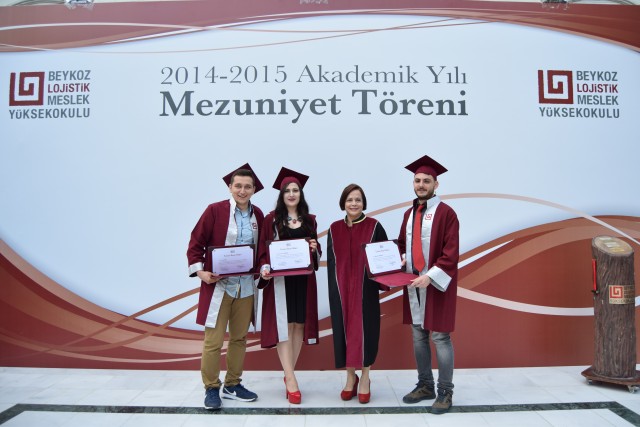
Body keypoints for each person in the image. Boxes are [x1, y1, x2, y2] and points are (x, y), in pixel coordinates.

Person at [186, 163, 265, 410]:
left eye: (247, 187)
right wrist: (201, 272)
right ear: (230, 187)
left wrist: (264, 266)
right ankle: (211, 387)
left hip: (246, 287)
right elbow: (195, 243)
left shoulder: (258, 215)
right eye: (238, 186)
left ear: (254, 190)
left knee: (239, 338)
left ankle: (233, 384)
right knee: (213, 341)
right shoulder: (215, 210)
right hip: (219, 287)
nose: (242, 191)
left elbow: (262, 249)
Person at [397, 155, 460, 415]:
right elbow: (402, 245)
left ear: (436, 184)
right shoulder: (409, 214)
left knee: (440, 337)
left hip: (436, 283)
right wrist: (399, 257)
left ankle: (445, 391)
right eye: (417, 180)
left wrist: (430, 277)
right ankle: (425, 385)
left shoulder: (446, 213)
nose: (421, 185)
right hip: (414, 284)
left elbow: (450, 253)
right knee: (418, 334)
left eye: (426, 181)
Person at [257, 167, 320, 405]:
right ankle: (291, 379)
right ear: (281, 195)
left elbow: (315, 249)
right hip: (281, 281)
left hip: (303, 280)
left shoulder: (310, 220)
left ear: (300, 194)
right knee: (284, 325)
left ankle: (288, 373)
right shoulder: (271, 220)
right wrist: (264, 267)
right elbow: (263, 250)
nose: (292, 194)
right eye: (287, 191)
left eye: (295, 190)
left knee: (298, 324)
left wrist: (314, 248)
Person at [326, 184, 388, 404]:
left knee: (366, 332)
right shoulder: (334, 229)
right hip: (341, 290)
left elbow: (385, 258)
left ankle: (366, 378)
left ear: (364, 203)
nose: (354, 204)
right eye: (350, 200)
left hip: (365, 290)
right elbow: (331, 263)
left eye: (358, 200)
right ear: (343, 203)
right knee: (344, 331)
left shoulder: (374, 226)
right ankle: (351, 377)